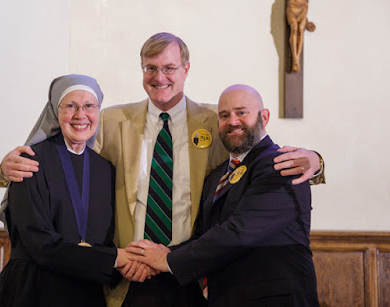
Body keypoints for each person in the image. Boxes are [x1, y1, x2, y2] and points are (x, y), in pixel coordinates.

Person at [0, 33, 324, 307]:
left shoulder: (218, 120)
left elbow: (256, 155)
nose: (159, 77)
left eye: (169, 67)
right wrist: (5, 167)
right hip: (126, 275)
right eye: (150, 68)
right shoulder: (109, 121)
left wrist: (316, 161)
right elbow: (64, 152)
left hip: (191, 275)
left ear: (186, 69)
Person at [127, 84, 320, 306]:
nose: (233, 121)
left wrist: (168, 260)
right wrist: (152, 256)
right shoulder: (218, 175)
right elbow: (204, 235)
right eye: (224, 115)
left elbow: (240, 233)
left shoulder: (283, 164)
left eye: (241, 112)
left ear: (264, 117)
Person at [0, 75, 133, 307]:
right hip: (33, 289)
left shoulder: (105, 169)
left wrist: (126, 265)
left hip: (86, 290)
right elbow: (37, 242)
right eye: (70, 106)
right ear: (55, 111)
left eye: (89, 106)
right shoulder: (28, 162)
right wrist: (115, 259)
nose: (80, 115)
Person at [286, 0, 316, 73]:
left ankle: (297, 59)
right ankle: (295, 58)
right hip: (292, 6)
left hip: (303, 7)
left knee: (301, 30)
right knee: (294, 29)